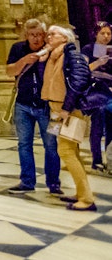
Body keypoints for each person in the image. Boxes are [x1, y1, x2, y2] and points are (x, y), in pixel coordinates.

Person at [41, 25, 96, 211]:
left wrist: (66, 108)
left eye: (53, 34)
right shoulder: (54, 56)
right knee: (72, 150)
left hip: (69, 110)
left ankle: (87, 199)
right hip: (56, 109)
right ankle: (82, 193)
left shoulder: (73, 55)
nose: (49, 37)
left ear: (65, 38)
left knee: (65, 151)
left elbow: (79, 81)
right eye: (48, 34)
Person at [4, 19, 61, 194]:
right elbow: (9, 71)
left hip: (46, 106)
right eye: (32, 35)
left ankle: (53, 183)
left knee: (51, 145)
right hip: (23, 104)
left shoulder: (51, 51)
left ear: (44, 35)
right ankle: (27, 181)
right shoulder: (18, 48)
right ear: (26, 35)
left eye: (39, 35)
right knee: (24, 144)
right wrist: (23, 61)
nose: (36, 39)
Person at [82, 21, 112, 171]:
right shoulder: (88, 49)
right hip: (96, 93)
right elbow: (83, 70)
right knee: (98, 126)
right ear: (96, 34)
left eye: (109, 34)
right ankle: (97, 160)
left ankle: (110, 159)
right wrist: (98, 62)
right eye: (103, 33)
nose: (106, 36)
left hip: (110, 92)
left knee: (111, 127)